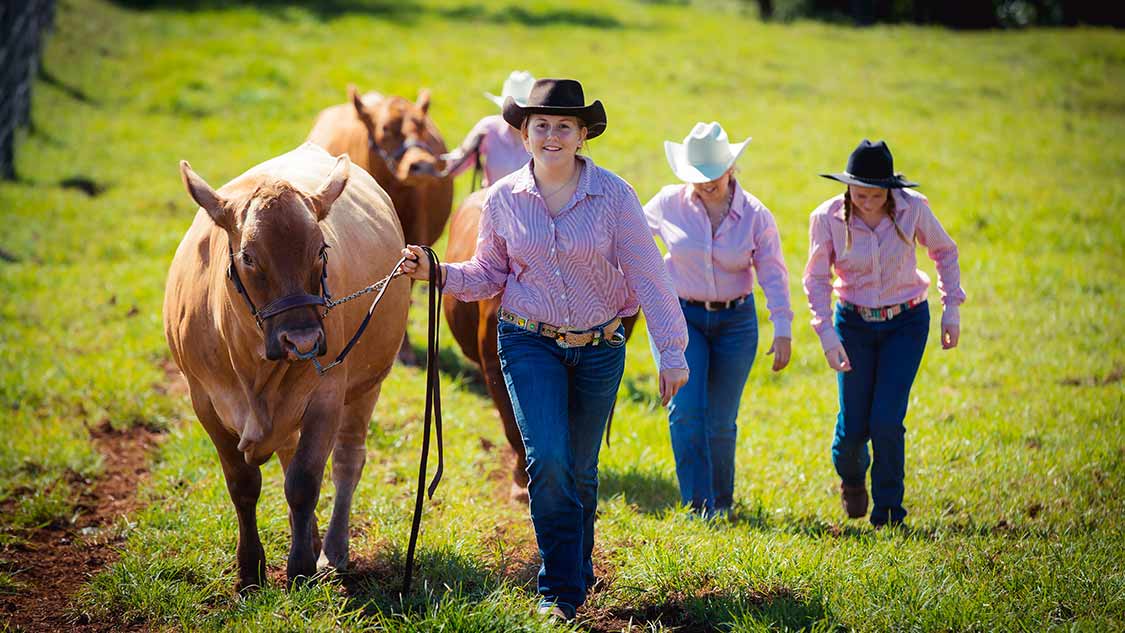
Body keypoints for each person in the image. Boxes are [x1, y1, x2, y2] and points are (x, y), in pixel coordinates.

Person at [401, 78, 689, 621]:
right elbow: (489, 274)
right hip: (527, 340)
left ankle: (575, 569)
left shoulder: (615, 196)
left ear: (583, 135)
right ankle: (559, 590)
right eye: (541, 126)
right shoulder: (504, 198)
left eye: (564, 126)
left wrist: (671, 352)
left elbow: (649, 276)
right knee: (548, 461)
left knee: (580, 468)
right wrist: (436, 270)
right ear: (524, 133)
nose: (552, 135)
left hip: (601, 345)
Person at [802, 139, 965, 528]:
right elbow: (815, 278)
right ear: (847, 187)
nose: (867, 201)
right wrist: (827, 335)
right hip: (853, 323)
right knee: (854, 426)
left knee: (887, 421)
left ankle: (890, 512)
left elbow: (945, 252)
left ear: (890, 190)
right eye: (859, 193)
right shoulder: (827, 218)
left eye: (875, 194)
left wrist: (951, 309)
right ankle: (852, 478)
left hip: (905, 323)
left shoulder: (914, 210)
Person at [644, 122, 793, 519]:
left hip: (735, 322)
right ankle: (698, 505)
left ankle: (722, 502)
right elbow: (632, 242)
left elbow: (773, 273)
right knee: (686, 409)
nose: (706, 184)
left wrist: (783, 328)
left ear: (731, 169)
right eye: (697, 177)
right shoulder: (666, 204)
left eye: (713, 175)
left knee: (722, 420)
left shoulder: (755, 216)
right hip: (680, 318)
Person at [440, 70, 534, 187]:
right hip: (492, 200)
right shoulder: (489, 128)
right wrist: (435, 165)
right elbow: (457, 164)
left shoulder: (543, 135)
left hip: (531, 203)